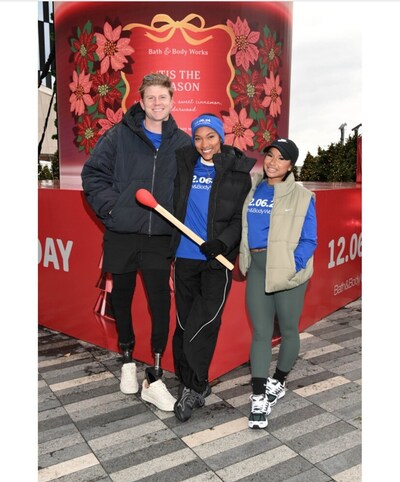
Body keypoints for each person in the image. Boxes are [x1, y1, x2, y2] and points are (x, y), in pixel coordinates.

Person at [81, 73, 191, 411]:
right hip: (122, 233)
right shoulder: (118, 136)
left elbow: (190, 189)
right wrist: (113, 208)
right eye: (151, 98)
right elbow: (93, 175)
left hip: (159, 237)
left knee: (160, 303)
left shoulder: (183, 143)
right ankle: (127, 360)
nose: (158, 103)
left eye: (163, 97)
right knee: (123, 298)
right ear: (141, 102)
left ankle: (155, 373)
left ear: (172, 102)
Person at [171, 114, 256, 422]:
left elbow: (239, 220)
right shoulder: (184, 166)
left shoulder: (238, 173)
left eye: (210, 137)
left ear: (221, 137)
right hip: (184, 257)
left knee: (203, 323)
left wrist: (221, 243)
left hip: (216, 261)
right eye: (198, 137)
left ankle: (192, 387)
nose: (204, 144)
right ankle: (193, 381)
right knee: (183, 323)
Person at [239, 138, 317, 429]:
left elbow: (310, 239)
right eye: (270, 155)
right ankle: (258, 396)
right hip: (258, 268)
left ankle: (279, 380)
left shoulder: (303, 196)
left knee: (287, 330)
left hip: (287, 272)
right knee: (260, 333)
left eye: (281, 158)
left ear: (290, 165)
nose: (272, 162)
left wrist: (292, 267)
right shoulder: (254, 187)